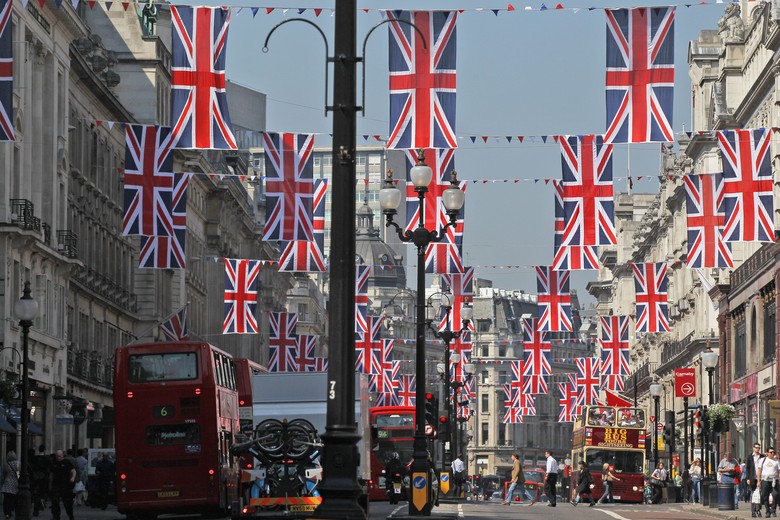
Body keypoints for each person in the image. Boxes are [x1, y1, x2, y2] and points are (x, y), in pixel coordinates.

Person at [50, 449, 77, 520]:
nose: (58, 458)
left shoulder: (67, 462)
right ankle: (56, 516)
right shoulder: (53, 463)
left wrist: (72, 478)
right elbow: (51, 473)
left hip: (66, 485)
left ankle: (70, 516)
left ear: (62, 456)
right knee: (55, 501)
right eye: (57, 456)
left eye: (59, 456)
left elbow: (73, 471)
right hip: (56, 484)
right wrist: (50, 484)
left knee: (67, 503)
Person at [756, 447, 779, 518]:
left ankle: (773, 510)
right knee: (765, 496)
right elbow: (759, 471)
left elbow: (779, 471)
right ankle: (767, 511)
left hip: (774, 481)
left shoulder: (776, 461)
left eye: (773, 452)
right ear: (767, 453)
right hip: (765, 480)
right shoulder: (762, 460)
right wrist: (758, 481)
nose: (772, 453)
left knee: (775, 495)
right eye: (771, 452)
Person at [2, 451, 20, 519]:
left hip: (7, 483)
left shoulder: (6, 464)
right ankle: (12, 510)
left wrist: (2, 482)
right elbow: (19, 473)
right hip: (15, 483)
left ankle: (7, 513)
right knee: (13, 498)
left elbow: (4, 474)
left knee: (6, 499)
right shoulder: (18, 463)